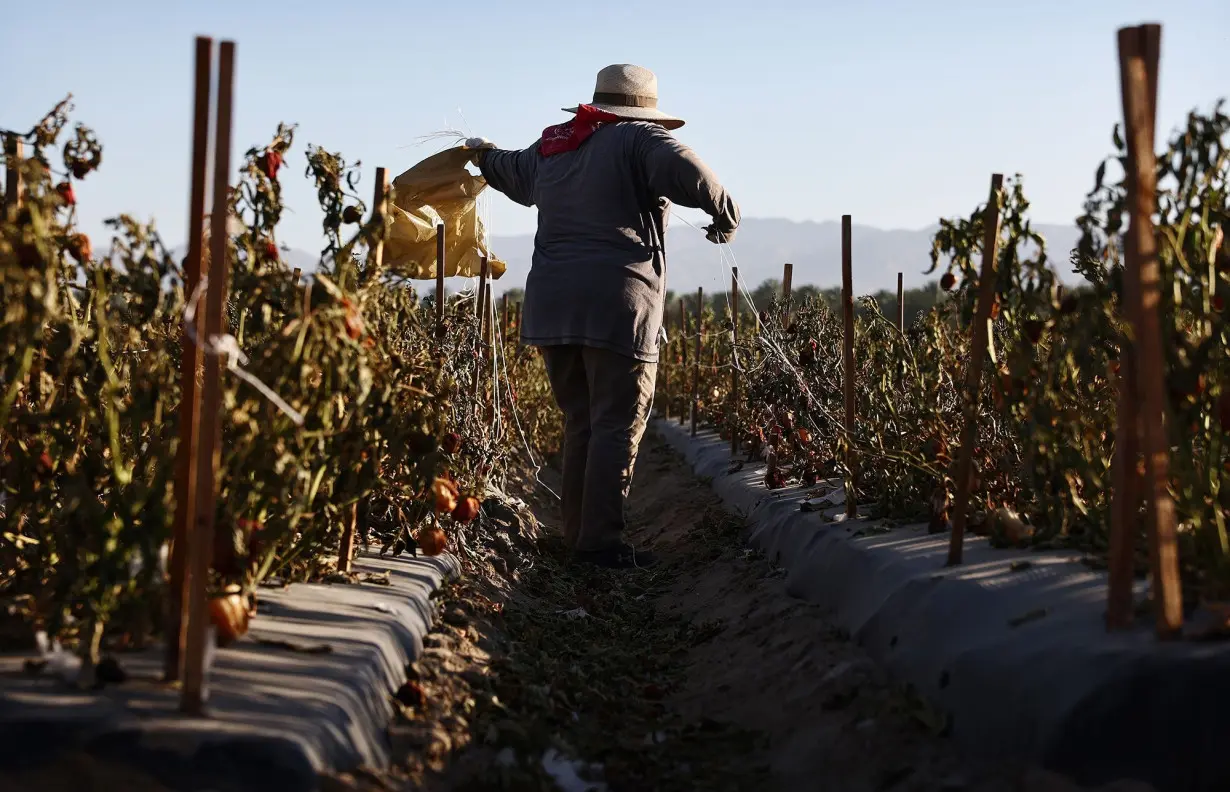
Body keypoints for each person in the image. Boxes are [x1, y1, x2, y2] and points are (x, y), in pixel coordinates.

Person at [467, 63, 739, 569]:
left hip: (552, 306)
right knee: (616, 422)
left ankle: (577, 537)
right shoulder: (640, 139)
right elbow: (693, 174)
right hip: (617, 304)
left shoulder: (556, 145)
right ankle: (600, 546)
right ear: (643, 111)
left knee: (581, 422)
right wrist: (725, 213)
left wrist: (481, 153)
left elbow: (505, 169)